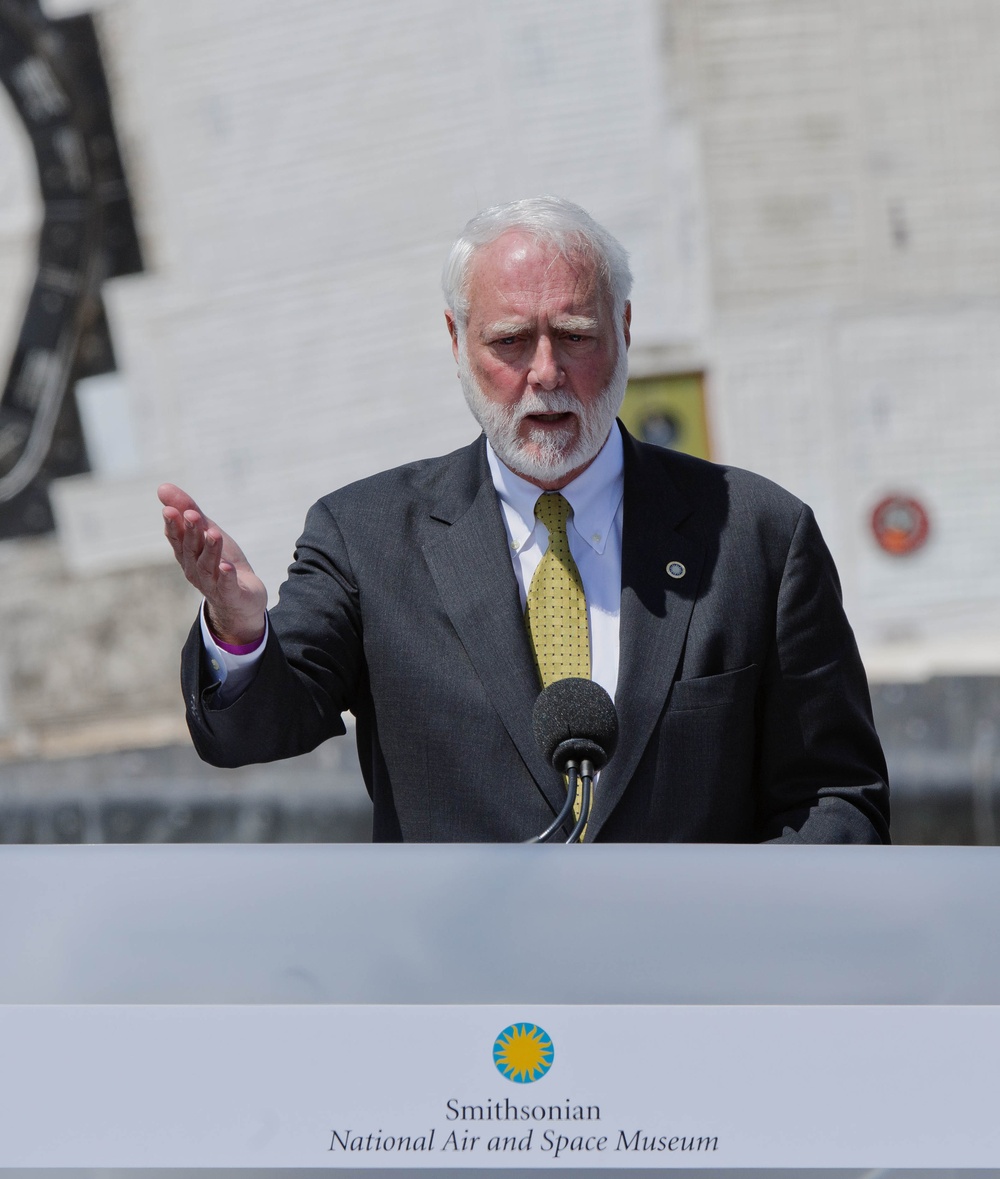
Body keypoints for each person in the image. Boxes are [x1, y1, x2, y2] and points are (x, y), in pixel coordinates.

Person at [160, 196, 890, 843]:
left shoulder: (756, 535)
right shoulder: (368, 537)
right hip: (472, 987)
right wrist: (239, 633)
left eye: (574, 334)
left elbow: (836, 799)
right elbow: (251, 730)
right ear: (456, 340)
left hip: (690, 985)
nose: (545, 372)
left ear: (624, 329)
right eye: (510, 342)